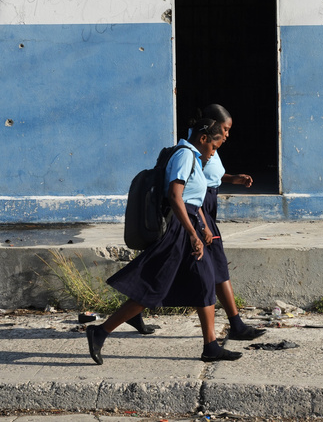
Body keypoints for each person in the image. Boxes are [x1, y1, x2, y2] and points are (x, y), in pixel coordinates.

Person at [85, 118, 242, 364]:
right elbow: (175, 196)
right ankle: (100, 330)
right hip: (180, 231)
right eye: (214, 146)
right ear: (203, 139)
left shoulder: (195, 158)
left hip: (190, 225)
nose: (214, 152)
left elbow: (194, 198)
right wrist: (191, 232)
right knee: (153, 287)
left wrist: (202, 226)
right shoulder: (185, 156)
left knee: (205, 282)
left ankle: (210, 346)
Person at [197, 104, 266, 341]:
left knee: (210, 264)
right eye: (225, 129)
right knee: (213, 265)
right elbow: (191, 184)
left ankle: (235, 324)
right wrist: (202, 223)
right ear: (212, 127)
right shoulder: (197, 149)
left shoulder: (209, 146)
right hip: (199, 208)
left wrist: (232, 178)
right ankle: (231, 328)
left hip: (207, 204)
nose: (227, 135)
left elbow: (210, 176)